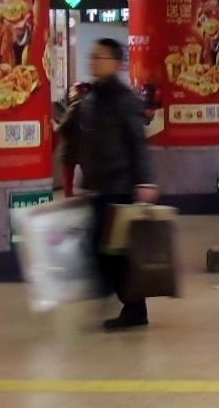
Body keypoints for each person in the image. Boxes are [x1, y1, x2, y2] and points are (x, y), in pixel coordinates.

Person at [59, 38, 159, 331]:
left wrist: (145, 180)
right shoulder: (92, 98)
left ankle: (132, 307)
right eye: (92, 57)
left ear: (116, 63)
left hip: (121, 185)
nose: (94, 62)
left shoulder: (124, 100)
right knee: (106, 248)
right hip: (100, 185)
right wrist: (81, 178)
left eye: (100, 58)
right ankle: (125, 302)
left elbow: (137, 144)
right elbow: (86, 140)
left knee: (115, 251)